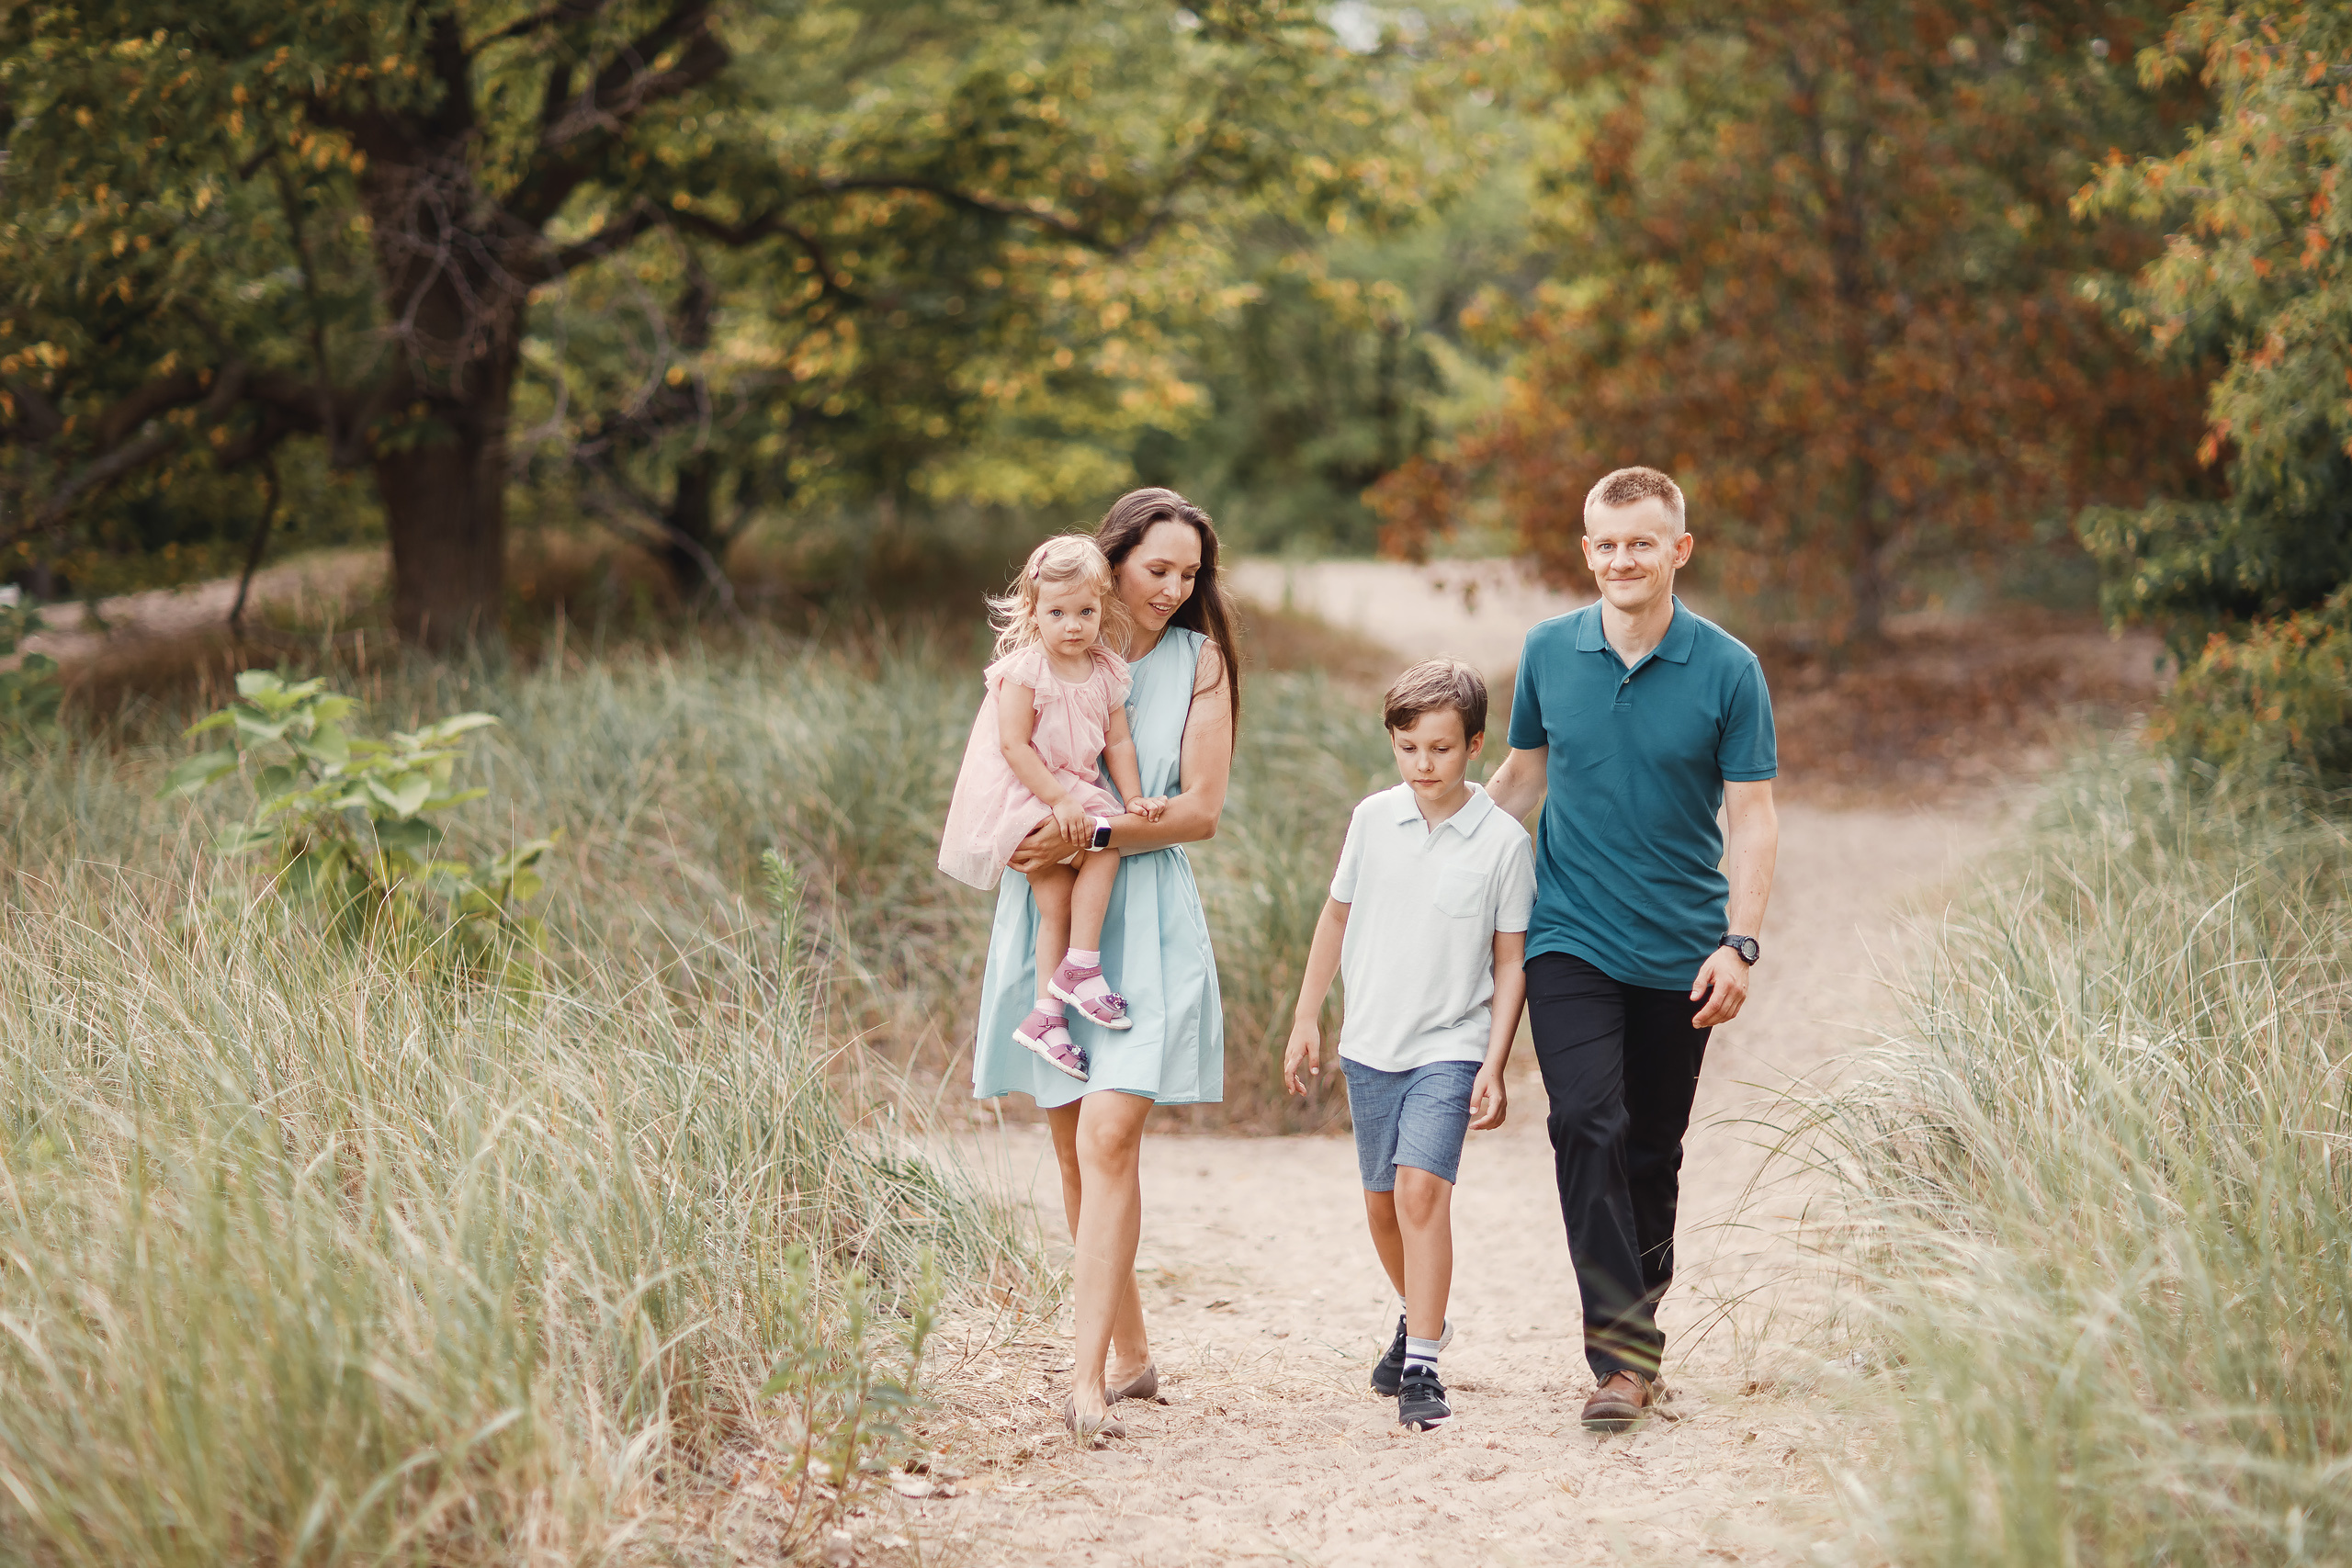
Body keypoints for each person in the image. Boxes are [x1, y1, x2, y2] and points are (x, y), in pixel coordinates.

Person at [1483, 465, 1781, 1433]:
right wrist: (1434, 855)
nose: (1622, 559)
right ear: (1587, 552)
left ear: (1677, 550)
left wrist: (1739, 944)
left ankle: (1637, 1336)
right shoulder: (1546, 651)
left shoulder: (1729, 669)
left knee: (1652, 1151)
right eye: (1605, 544)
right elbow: (1521, 778)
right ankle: (1618, 1358)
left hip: (1681, 948)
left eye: (1641, 543)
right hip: (1568, 934)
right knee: (1585, 1123)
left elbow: (1756, 816)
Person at [968, 488, 1242, 1442]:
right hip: (1048, 897)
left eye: (1188, 575)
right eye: (1155, 569)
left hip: (1143, 912)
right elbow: (995, 782)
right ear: (1111, 558)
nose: (1171, 589)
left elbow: (1198, 809)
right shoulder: (1038, 660)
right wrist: (1027, 840)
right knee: (1072, 1149)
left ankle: (1080, 1382)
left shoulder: (1197, 663)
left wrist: (1089, 825)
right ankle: (1128, 1355)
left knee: (1110, 1138)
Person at [1283, 658, 1534, 1431]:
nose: (1424, 765)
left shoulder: (1503, 842)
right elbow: (1336, 918)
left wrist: (1494, 1062)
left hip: (1450, 1044)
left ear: (1477, 746)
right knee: (1382, 1205)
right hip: (1370, 1042)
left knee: (1424, 1192)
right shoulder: (1372, 820)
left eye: (1442, 748)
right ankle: (1419, 1313)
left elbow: (1510, 959)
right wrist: (1305, 1016)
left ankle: (1422, 1362)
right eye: (1409, 748)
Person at [939, 536, 1170, 1078]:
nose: (1073, 625)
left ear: (1104, 610)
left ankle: (1047, 1018)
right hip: (1029, 796)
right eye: (1058, 612)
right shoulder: (1025, 671)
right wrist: (1062, 799)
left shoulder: (1107, 670)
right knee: (1105, 845)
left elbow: (1119, 744)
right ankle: (1081, 968)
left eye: (1086, 612)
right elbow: (1014, 746)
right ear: (1033, 612)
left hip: (1072, 793)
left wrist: (1133, 796)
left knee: (1059, 903)